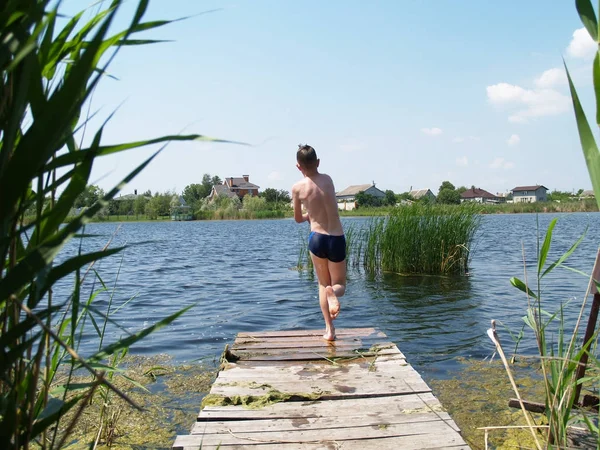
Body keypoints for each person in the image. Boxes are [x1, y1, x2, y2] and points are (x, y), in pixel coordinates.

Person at [292, 144, 346, 341]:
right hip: (336, 237)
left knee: (323, 284)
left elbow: (298, 219)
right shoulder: (328, 180)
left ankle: (329, 331)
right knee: (338, 283)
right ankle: (334, 292)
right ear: (318, 162)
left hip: (317, 238)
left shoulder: (297, 188)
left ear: (298, 166)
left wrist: (309, 216)